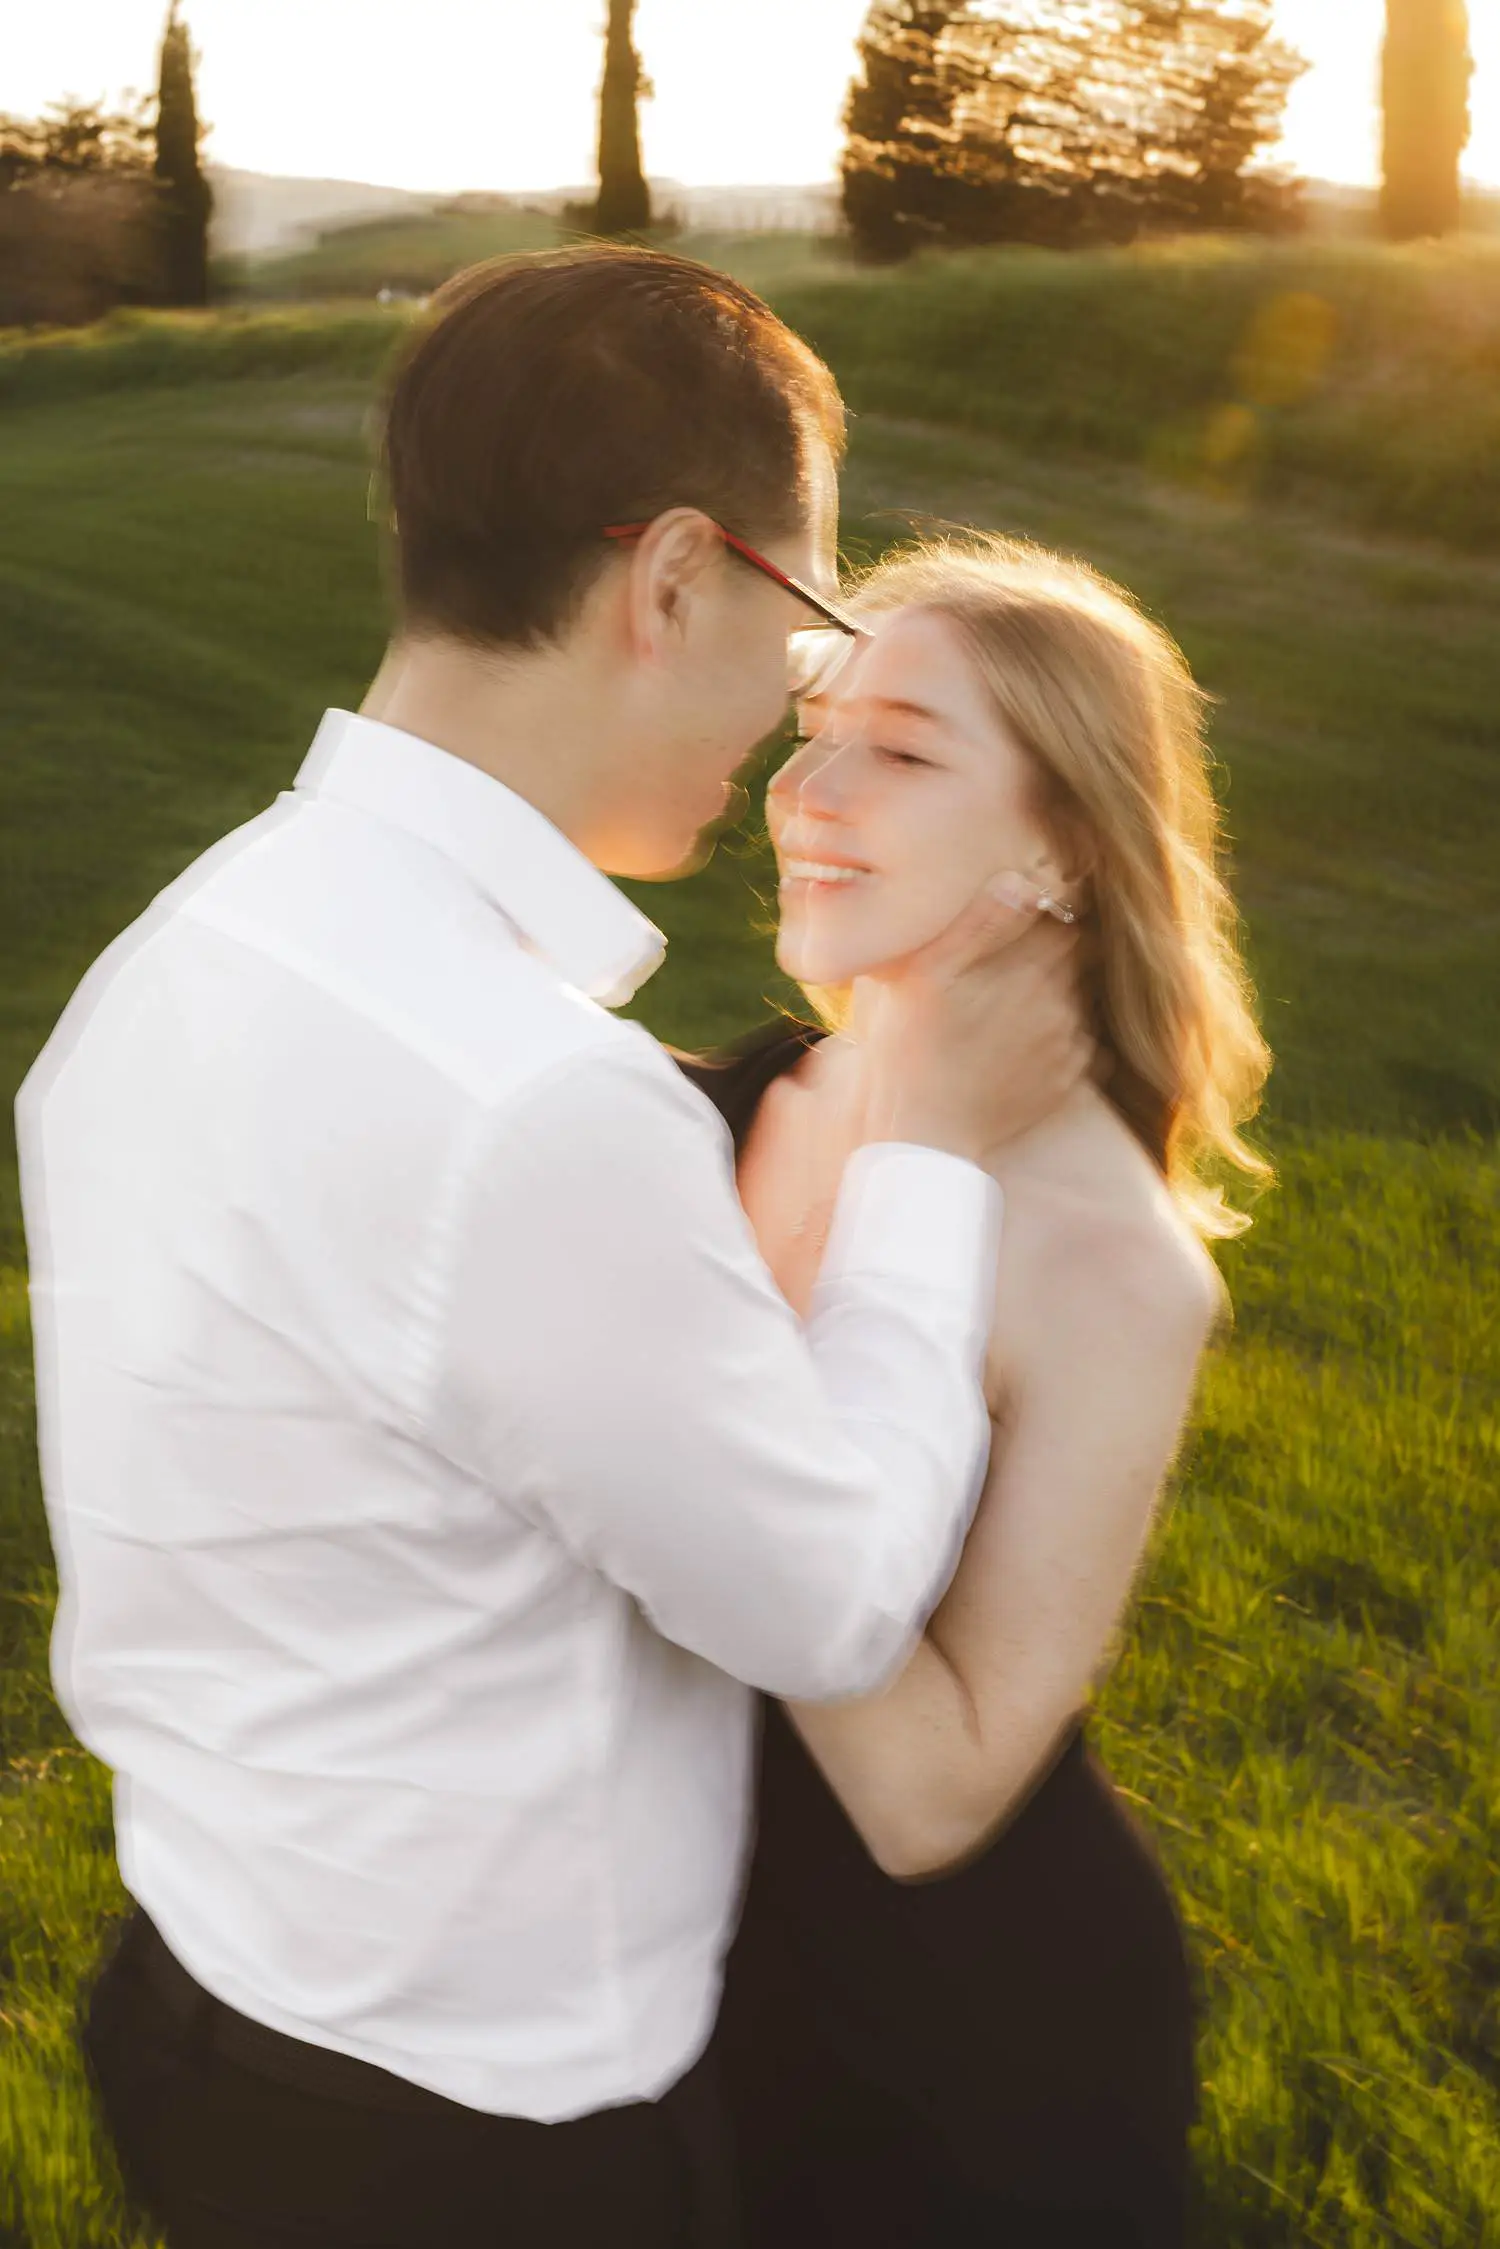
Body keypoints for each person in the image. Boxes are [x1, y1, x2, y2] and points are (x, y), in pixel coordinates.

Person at [15, 249, 1090, 2249]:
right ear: (674, 576)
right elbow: (837, 1603)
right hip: (483, 2148)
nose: (795, 723)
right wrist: (926, 1153)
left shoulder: (185, 943)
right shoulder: (537, 1104)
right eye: (802, 625)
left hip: (196, 2001)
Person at [683, 534, 1273, 2248]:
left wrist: (714, 1420)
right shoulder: (717, 1106)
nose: (810, 789)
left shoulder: (1111, 1264)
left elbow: (932, 1798)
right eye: (821, 724)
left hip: (944, 2065)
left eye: (910, 748)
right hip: (640, 1977)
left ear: (1064, 847)